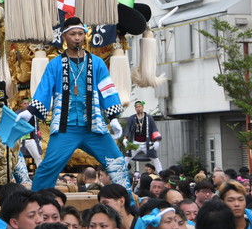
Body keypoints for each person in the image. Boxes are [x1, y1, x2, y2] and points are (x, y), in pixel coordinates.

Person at [16, 17, 129, 192]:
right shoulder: (55, 65)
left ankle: (127, 202)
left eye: (80, 34)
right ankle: (36, 202)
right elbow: (44, 89)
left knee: (118, 164)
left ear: (84, 36)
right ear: (64, 37)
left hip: (94, 127)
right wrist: (30, 111)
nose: (77, 38)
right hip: (65, 128)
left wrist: (113, 117)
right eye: (73, 34)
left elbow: (107, 89)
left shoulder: (97, 63)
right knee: (47, 168)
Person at [124, 101, 163, 173]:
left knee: (155, 159)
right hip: (135, 142)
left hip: (146, 143)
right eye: (136, 107)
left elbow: (154, 129)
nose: (138, 108)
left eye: (139, 107)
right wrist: (125, 138)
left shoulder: (149, 118)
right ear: (135, 108)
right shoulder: (132, 118)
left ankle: (161, 174)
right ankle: (121, 173)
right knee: (126, 158)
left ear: (143, 107)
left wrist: (157, 141)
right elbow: (127, 128)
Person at [16, 98, 43, 167]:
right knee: (17, 158)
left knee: (37, 156)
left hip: (30, 139)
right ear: (21, 104)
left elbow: (37, 127)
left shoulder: (33, 115)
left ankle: (41, 171)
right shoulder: (17, 113)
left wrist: (39, 138)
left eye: (28, 103)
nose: (26, 105)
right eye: (25, 103)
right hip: (20, 139)